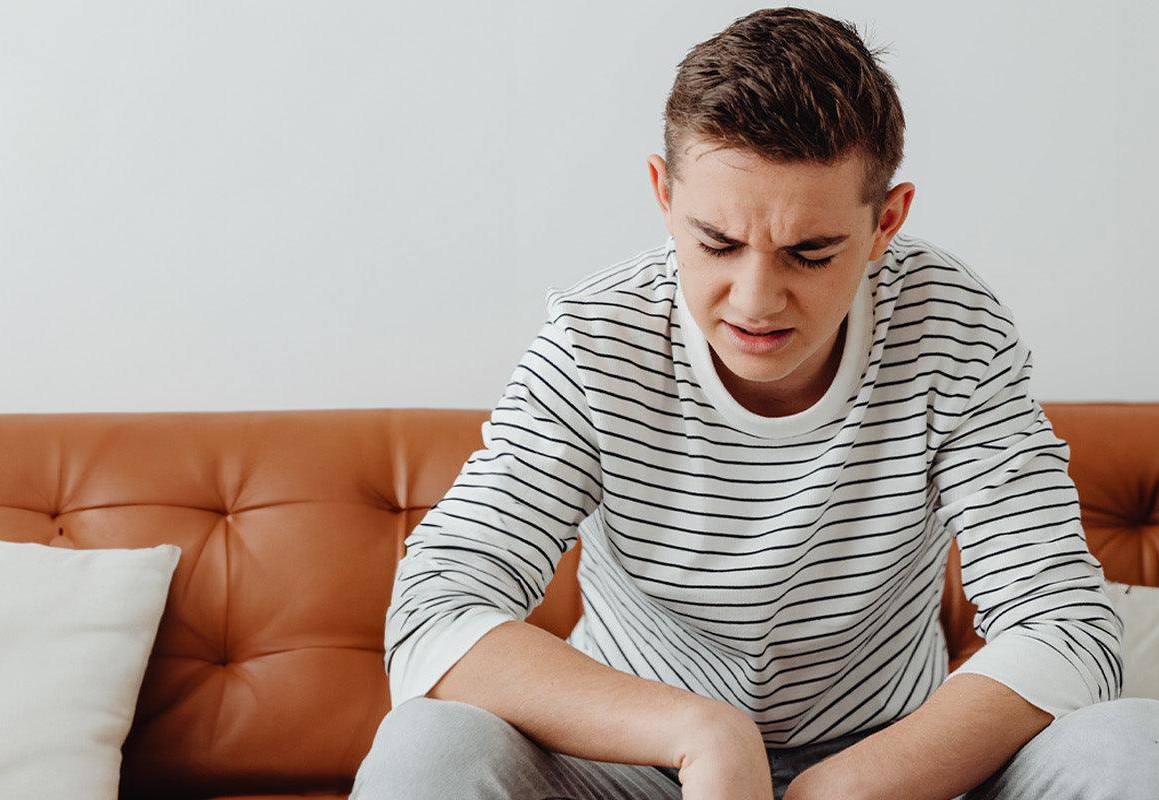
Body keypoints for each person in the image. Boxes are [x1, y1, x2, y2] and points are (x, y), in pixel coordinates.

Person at [350, 6, 1158, 800]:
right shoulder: (597, 342)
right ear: (664, 195)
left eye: (810, 252)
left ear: (886, 222)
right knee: (431, 744)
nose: (756, 299)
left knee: (1127, 746)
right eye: (717, 243)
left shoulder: (951, 328)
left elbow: (1066, 628)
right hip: (637, 759)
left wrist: (841, 789)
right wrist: (702, 735)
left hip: (892, 769)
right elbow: (435, 610)